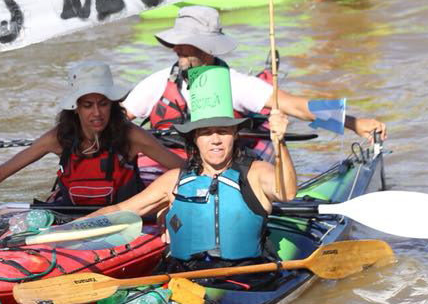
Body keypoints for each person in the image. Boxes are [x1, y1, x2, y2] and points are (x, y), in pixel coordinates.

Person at [122, 5, 388, 173]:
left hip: (221, 165)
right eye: (176, 42)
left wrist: (354, 123)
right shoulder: (157, 82)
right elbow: (116, 119)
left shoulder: (236, 84)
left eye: (185, 43)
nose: (176, 48)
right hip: (167, 162)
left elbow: (293, 105)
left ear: (208, 47)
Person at [101, 66, 296, 268]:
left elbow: (287, 193)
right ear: (195, 138)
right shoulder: (173, 180)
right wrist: (78, 228)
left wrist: (280, 143)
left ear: (235, 135)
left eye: (223, 131)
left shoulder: (257, 172)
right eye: (206, 133)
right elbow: (121, 209)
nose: (215, 140)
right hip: (185, 276)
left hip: (245, 277)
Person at [0, 61, 184, 204]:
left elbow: (183, 170)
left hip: (126, 219)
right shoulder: (58, 138)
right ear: (75, 108)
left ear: (112, 104)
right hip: (71, 217)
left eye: (103, 104)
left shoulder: (131, 136)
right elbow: (1, 172)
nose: (97, 113)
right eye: (88, 105)